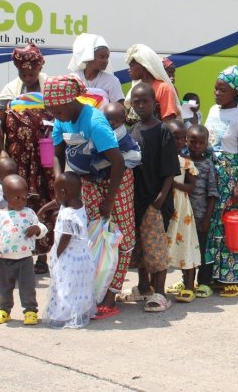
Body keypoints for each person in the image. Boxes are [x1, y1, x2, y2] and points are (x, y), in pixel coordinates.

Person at [43, 75, 130, 319]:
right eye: (51, 110)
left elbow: (118, 162)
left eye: (57, 109)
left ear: (70, 101)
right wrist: (61, 184)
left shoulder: (94, 122)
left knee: (120, 237)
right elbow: (58, 155)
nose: (54, 114)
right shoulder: (62, 119)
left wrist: (110, 200)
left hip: (116, 181)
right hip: (87, 181)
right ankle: (93, 292)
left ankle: (112, 295)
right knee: (91, 236)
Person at [0, 43, 55, 274]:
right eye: (23, 73)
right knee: (21, 203)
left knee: (45, 204)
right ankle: (22, 254)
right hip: (19, 158)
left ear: (39, 69)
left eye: (32, 73)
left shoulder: (50, 87)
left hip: (44, 160)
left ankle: (42, 257)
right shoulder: (10, 89)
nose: (28, 77)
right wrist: (2, 151)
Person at [205, 65, 238, 296]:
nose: (217, 93)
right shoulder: (212, 111)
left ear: (235, 92)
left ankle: (231, 279)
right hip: (212, 172)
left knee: (230, 224)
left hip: (231, 174)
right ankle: (213, 276)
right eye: (216, 89)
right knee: (212, 224)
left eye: (222, 90)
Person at [126, 82, 179, 312]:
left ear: (154, 102)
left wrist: (160, 199)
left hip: (155, 199)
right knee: (140, 246)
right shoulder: (133, 130)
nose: (140, 105)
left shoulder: (163, 130)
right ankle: (143, 287)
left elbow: (170, 170)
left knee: (155, 247)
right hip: (136, 198)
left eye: (144, 101)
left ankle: (159, 293)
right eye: (135, 101)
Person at [0, 174, 47, 325]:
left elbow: (42, 228)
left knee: (28, 287)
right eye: (16, 198)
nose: (21, 201)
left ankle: (30, 311)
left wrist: (37, 229)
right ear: (6, 196)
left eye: (24, 197)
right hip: (4, 260)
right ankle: (4, 311)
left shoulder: (29, 213)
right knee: (4, 287)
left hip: (25, 259)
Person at [45, 172, 96, 329]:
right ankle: (79, 312)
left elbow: (65, 238)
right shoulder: (78, 204)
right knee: (79, 288)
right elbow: (56, 202)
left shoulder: (68, 214)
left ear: (62, 193)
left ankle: (64, 316)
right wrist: (42, 210)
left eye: (56, 191)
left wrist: (57, 254)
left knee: (65, 288)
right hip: (82, 256)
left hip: (69, 257)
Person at [178, 124, 218, 298]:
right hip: (184, 214)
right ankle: (186, 281)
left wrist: (207, 218)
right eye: (192, 141)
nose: (196, 146)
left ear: (206, 144)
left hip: (201, 215)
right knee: (186, 248)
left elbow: (212, 194)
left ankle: (203, 282)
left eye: (200, 143)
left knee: (201, 249)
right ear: (186, 140)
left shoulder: (208, 165)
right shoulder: (182, 160)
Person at [165, 120, 202, 303]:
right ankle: (151, 284)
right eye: (175, 137)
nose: (179, 141)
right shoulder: (160, 158)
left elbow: (190, 187)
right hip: (164, 207)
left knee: (186, 243)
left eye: (182, 138)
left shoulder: (187, 163)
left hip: (181, 209)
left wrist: (174, 184)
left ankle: (188, 286)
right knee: (162, 245)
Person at [125, 43, 180, 122]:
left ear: (144, 65)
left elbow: (168, 122)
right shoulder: (137, 87)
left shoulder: (163, 88)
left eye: (132, 65)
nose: (129, 70)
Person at [68, 33, 125, 106]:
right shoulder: (74, 79)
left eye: (107, 57)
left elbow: (119, 106)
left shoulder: (112, 81)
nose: (105, 61)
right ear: (89, 57)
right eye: (101, 57)